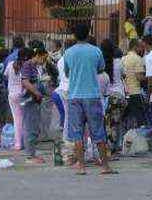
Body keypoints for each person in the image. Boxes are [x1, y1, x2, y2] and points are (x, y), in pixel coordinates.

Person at [62, 24, 112, 174]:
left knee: (77, 133)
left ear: (74, 36)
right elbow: (101, 68)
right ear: (88, 34)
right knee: (98, 132)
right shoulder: (96, 51)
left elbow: (66, 72)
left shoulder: (68, 52)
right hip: (92, 96)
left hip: (74, 96)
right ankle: (105, 166)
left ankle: (81, 167)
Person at [20, 46, 46, 164]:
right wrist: (36, 92)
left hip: (35, 100)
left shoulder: (35, 67)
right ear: (38, 55)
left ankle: (32, 153)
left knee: (35, 127)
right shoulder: (28, 65)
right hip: (29, 100)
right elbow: (25, 81)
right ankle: (30, 156)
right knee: (30, 127)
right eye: (43, 58)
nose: (43, 61)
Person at [100, 39, 127, 153]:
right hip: (119, 96)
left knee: (107, 123)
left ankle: (109, 147)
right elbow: (124, 75)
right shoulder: (119, 62)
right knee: (118, 122)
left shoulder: (101, 63)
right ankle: (117, 145)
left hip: (106, 97)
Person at [4, 45, 26, 150]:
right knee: (23, 119)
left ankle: (18, 144)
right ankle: (22, 142)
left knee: (16, 119)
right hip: (22, 94)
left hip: (12, 95)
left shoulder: (10, 64)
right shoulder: (25, 67)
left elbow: (5, 76)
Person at [122, 38, 146, 130]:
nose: (142, 49)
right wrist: (148, 78)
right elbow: (139, 77)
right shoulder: (138, 59)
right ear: (135, 47)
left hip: (125, 92)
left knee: (126, 118)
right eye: (140, 47)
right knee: (140, 118)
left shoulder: (123, 58)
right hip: (135, 92)